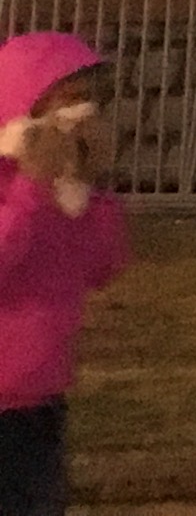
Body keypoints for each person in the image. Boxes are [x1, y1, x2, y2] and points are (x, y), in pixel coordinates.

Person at [0, 32, 126, 516]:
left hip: (40, 399)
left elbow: (103, 265)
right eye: (71, 98)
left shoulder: (67, 191)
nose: (85, 112)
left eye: (92, 98)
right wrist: (30, 186)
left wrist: (92, 183)